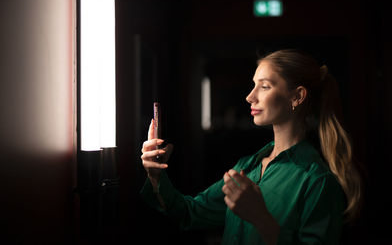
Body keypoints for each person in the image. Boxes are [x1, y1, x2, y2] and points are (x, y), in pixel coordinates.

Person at [140, 49, 363, 244]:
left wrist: (261, 218)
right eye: (253, 85)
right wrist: (155, 176)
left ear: (297, 97)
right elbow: (188, 213)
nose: (249, 97)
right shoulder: (247, 167)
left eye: (264, 86)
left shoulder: (317, 181)